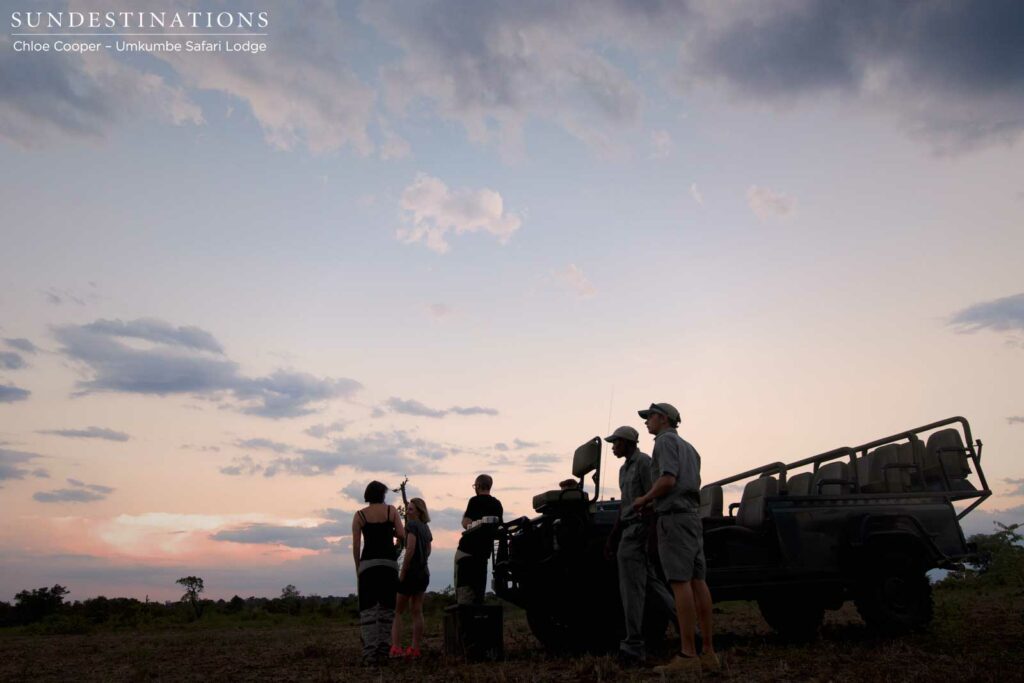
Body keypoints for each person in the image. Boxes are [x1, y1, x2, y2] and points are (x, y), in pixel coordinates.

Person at [632, 403, 719, 674]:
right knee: (698, 582)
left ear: (663, 418)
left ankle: (688, 655)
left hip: (674, 519)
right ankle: (708, 653)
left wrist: (644, 498)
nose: (646, 422)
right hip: (691, 517)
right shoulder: (690, 448)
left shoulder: (664, 442)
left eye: (649, 417)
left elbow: (668, 480)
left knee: (680, 584)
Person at [603, 425, 676, 665]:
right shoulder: (624, 469)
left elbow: (655, 499)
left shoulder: (644, 463)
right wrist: (613, 536)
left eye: (616, 442)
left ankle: (633, 645)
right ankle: (691, 630)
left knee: (631, 591)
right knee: (654, 586)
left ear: (627, 442)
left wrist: (651, 536)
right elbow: (626, 505)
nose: (613, 447)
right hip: (629, 531)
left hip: (639, 532)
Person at [352, 481, 405, 665]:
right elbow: (401, 534)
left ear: (367, 495)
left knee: (368, 610)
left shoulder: (359, 515)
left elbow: (356, 545)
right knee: (387, 609)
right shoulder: (391, 511)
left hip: (368, 565)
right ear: (383, 494)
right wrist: (392, 536)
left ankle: (369, 654)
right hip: (389, 564)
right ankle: (384, 651)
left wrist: (358, 567)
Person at [390, 497, 433, 658]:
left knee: (397, 611)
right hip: (424, 573)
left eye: (411, 509)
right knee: (417, 610)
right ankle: (415, 649)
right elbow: (428, 550)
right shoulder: (426, 528)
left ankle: (396, 647)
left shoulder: (412, 526)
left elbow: (410, 549)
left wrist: (404, 571)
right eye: (407, 509)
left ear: (419, 512)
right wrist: (422, 561)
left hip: (411, 574)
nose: (407, 512)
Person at [454, 473, 503, 605]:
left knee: (464, 594)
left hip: (466, 552)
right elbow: (499, 528)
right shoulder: (497, 504)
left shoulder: (474, 501)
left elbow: (466, 523)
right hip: (483, 555)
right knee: (478, 594)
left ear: (478, 486)